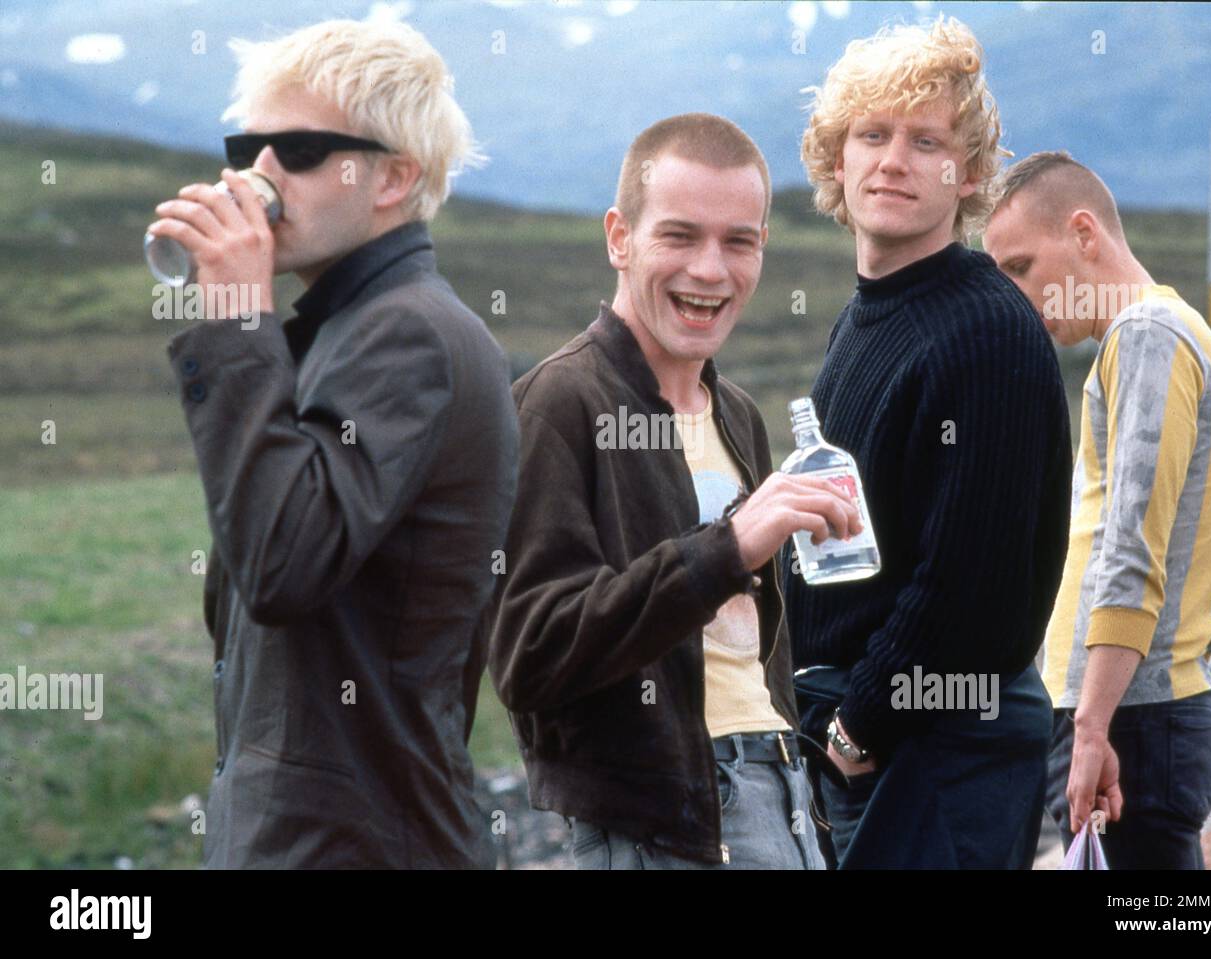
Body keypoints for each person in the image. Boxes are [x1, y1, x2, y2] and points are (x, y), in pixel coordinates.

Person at [150, 19, 517, 868]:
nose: (260, 176)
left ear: (394, 177)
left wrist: (237, 319)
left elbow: (282, 562)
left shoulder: (408, 335)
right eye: (248, 147)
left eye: (302, 149)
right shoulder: (348, 327)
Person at [488, 113, 861, 869]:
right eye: (680, 236)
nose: (711, 271)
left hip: (783, 793)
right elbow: (530, 654)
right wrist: (725, 550)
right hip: (664, 823)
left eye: (739, 241)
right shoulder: (557, 405)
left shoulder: (739, 414)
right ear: (619, 239)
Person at [785, 15, 1073, 868]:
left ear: (971, 171)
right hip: (879, 742)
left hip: (935, 749)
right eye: (870, 134)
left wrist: (855, 724)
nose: (892, 159)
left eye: (926, 140)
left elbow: (971, 586)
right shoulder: (867, 316)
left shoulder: (984, 329)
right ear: (838, 160)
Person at [983, 150, 1211, 869]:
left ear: (1085, 235)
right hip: (1140, 714)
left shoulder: (1148, 336)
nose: (1013, 293)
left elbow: (1131, 550)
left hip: (1134, 718)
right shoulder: (1159, 332)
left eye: (1020, 266)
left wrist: (1092, 726)